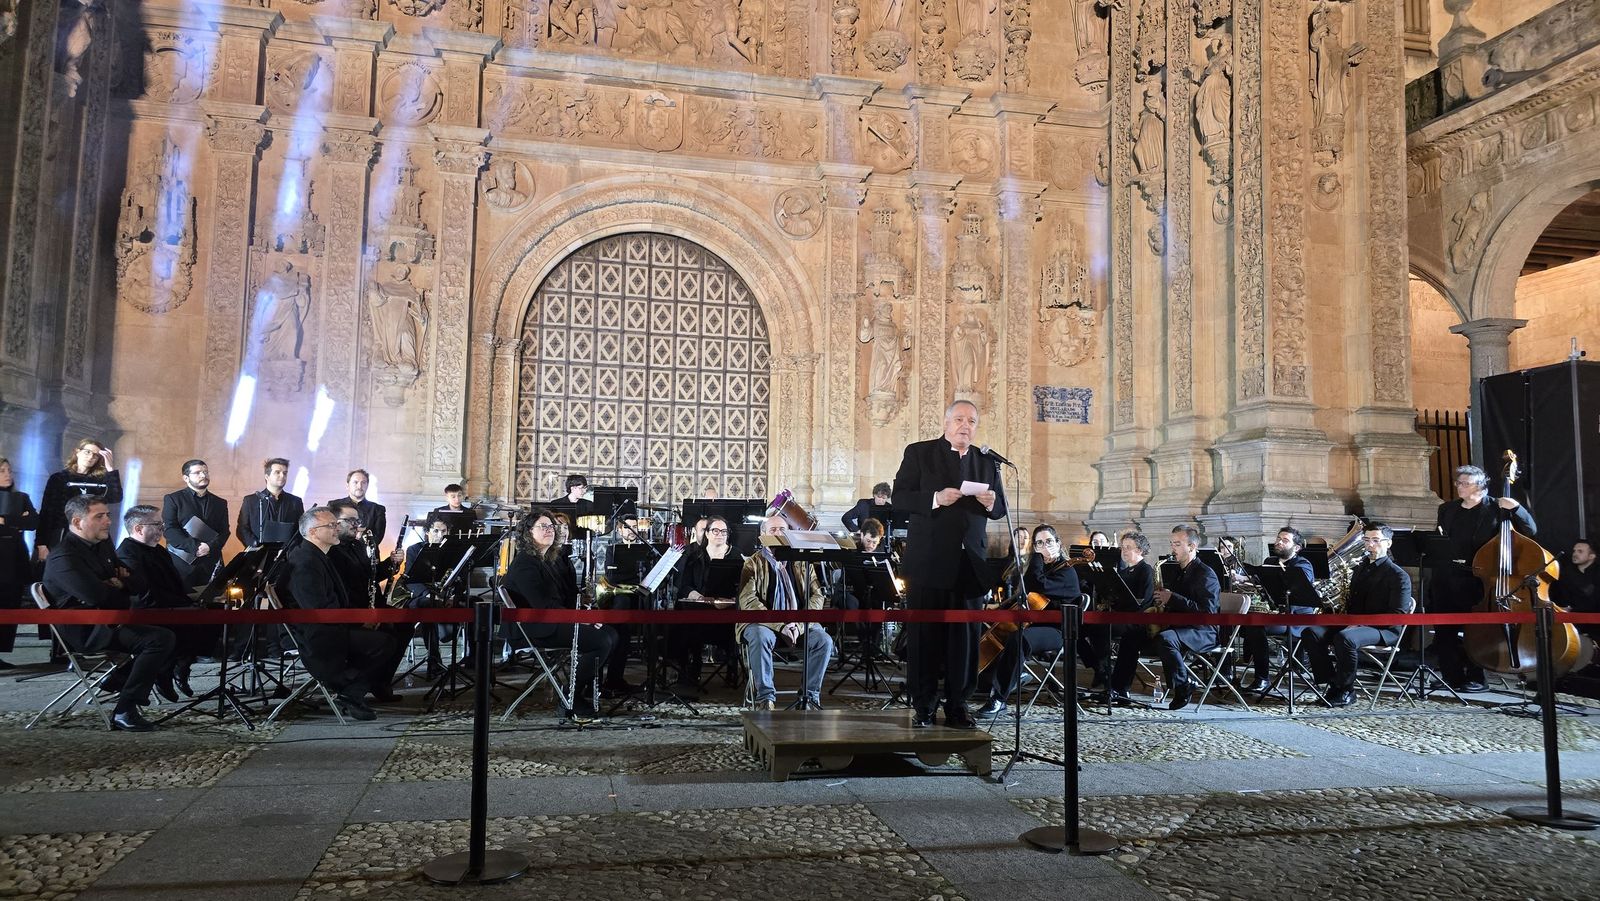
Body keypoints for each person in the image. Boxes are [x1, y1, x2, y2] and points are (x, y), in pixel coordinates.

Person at [892, 399, 1007, 729]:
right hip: (928, 561)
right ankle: (924, 704)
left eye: (971, 420)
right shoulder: (920, 452)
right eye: (959, 419)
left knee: (966, 639)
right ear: (945, 423)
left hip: (969, 563)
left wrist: (993, 502)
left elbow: (999, 511)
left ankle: (958, 704)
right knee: (924, 636)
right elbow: (900, 498)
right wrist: (934, 499)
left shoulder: (987, 462)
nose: (965, 425)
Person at [42, 496, 176, 731]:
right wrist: (118, 585)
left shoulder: (102, 546)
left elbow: (138, 583)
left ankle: (116, 681)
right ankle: (125, 709)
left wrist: (120, 584)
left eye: (108, 515)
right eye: (99, 516)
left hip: (111, 620)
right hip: (87, 630)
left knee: (174, 630)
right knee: (158, 640)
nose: (108, 521)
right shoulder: (63, 557)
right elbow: (99, 597)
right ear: (77, 521)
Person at [275, 508, 395, 721]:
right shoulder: (305, 561)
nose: (336, 529)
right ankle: (349, 688)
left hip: (328, 627)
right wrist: (357, 621)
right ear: (313, 532)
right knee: (383, 643)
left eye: (335, 524)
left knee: (386, 636)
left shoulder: (316, 555)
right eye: (331, 526)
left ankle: (350, 688)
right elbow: (319, 609)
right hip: (317, 635)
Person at [503, 508, 617, 722]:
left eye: (551, 526)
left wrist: (587, 614)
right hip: (535, 627)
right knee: (601, 640)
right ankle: (570, 696)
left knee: (611, 634)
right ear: (528, 533)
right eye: (543, 526)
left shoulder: (548, 559)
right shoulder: (526, 563)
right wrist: (582, 620)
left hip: (552, 621)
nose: (550, 530)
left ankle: (576, 692)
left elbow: (562, 600)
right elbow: (543, 605)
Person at [1433, 464, 1535, 692]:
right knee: (1443, 632)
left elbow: (1531, 530)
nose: (1459, 487)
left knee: (1475, 631)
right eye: (1458, 483)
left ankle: (1477, 678)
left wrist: (1517, 508)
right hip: (1448, 577)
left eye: (1465, 483)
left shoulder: (1497, 507)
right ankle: (1452, 676)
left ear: (1480, 486)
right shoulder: (1447, 509)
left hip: (1479, 580)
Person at [1301, 523, 1413, 707]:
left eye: (1376, 540)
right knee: (1310, 632)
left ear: (1389, 543)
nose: (1370, 545)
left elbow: (1397, 614)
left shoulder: (1398, 575)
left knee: (1346, 638)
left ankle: (1346, 690)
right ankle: (1331, 682)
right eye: (1367, 540)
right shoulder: (1360, 568)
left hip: (1384, 630)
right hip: (1355, 623)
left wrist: (1360, 624)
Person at [975, 524, 1081, 717]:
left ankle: (999, 699)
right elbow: (1030, 588)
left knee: (1018, 638)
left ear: (1058, 544)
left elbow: (1036, 584)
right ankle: (985, 683)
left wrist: (1037, 557)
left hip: (1057, 631)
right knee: (990, 630)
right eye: (1039, 543)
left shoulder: (1066, 572)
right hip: (1034, 625)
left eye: (1048, 541)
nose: (1044, 546)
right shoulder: (1045, 568)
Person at [1109, 525, 1219, 710]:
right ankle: (1119, 689)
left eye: (1177, 544)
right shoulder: (1177, 571)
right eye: (1171, 543)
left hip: (1202, 631)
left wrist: (1172, 598)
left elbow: (1207, 613)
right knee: (1132, 636)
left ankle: (1183, 685)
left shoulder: (1205, 574)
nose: (1172, 548)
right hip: (1178, 627)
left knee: (1166, 639)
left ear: (1191, 547)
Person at [117, 504, 219, 698]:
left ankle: (180, 665)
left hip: (170, 605)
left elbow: (173, 585)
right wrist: (182, 606)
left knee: (214, 612)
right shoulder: (128, 552)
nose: (162, 529)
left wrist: (194, 599)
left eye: (161, 524)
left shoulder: (159, 551)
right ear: (138, 528)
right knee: (193, 621)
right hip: (148, 611)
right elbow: (143, 593)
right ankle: (165, 670)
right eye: (156, 524)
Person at [738, 515, 834, 710]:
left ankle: (810, 696)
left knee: (824, 641)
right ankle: (765, 698)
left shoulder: (802, 562)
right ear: (762, 535)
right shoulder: (752, 563)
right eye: (773, 530)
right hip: (764, 624)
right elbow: (748, 601)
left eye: (782, 529)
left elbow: (817, 596)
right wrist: (780, 625)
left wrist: (798, 625)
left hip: (798, 624)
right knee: (759, 636)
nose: (778, 534)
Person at [326, 500, 403, 702]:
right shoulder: (332, 551)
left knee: (404, 624)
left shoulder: (357, 546)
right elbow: (339, 593)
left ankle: (381, 681)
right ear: (334, 523)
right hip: (351, 612)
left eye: (357, 520)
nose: (355, 524)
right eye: (348, 520)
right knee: (388, 635)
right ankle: (356, 684)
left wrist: (392, 564)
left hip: (367, 607)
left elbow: (370, 576)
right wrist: (361, 618)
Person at [1239, 527, 1322, 693]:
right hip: (1276, 616)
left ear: (1296, 548)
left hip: (1297, 619)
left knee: (1256, 626)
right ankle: (1229, 671)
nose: (1279, 542)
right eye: (1278, 539)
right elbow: (1258, 580)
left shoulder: (1303, 565)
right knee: (1244, 621)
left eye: (1285, 540)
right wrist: (1242, 578)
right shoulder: (1270, 562)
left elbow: (1300, 591)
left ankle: (1262, 678)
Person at [670, 515, 740, 689]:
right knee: (683, 621)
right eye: (715, 531)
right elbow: (684, 585)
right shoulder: (693, 555)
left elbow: (743, 587)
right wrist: (702, 599)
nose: (720, 534)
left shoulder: (736, 555)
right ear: (707, 533)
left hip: (727, 609)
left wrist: (729, 600)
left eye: (724, 531)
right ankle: (690, 668)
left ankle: (731, 666)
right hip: (698, 608)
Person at [1080, 531, 1155, 689]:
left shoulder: (1146, 570)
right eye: (1123, 547)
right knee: (1079, 628)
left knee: (1100, 628)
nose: (1124, 551)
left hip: (1136, 621)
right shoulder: (1123, 571)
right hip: (1119, 617)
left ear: (1140, 550)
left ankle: (1104, 671)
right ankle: (1099, 668)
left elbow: (1144, 602)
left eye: (1128, 547)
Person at [37, 438, 122, 556]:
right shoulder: (59, 478)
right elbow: (47, 511)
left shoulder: (100, 480)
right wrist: (41, 543)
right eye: (87, 452)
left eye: (96, 455)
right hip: (64, 535)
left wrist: (110, 470)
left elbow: (116, 497)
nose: (91, 457)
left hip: (93, 536)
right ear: (77, 452)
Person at [162, 459, 231, 589]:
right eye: (198, 472)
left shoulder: (220, 502)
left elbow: (224, 531)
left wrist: (209, 547)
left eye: (205, 472)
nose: (203, 475)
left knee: (213, 605)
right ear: (186, 478)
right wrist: (196, 547)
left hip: (210, 562)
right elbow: (170, 529)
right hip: (181, 563)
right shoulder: (173, 499)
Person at [0, 457, 38, 669]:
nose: (8, 474)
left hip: (14, 559)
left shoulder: (21, 497)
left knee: (10, 605)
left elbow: (33, 521)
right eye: (2, 470)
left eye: (9, 470)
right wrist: (17, 521)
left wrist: (6, 520)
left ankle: (1, 651)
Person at [237, 457, 305, 549]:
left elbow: (300, 530)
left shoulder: (295, 502)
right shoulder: (251, 500)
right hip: (258, 554)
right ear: (267, 476)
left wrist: (290, 548)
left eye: (285, 473)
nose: (282, 476)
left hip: (286, 555)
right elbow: (242, 528)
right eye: (277, 472)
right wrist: (255, 545)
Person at [1554, 539, 1599, 642]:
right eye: (1574, 551)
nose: (1575, 554)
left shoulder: (1597, 574)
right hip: (1572, 626)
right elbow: (1561, 599)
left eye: (1580, 551)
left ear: (1592, 556)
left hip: (1595, 627)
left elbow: (1595, 602)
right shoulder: (1566, 574)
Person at [328, 469, 388, 547]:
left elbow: (377, 538)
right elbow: (329, 531)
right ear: (347, 486)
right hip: (338, 552)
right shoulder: (334, 505)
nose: (359, 486)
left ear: (367, 486)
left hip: (367, 555)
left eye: (363, 482)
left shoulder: (378, 509)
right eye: (355, 482)